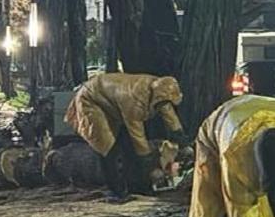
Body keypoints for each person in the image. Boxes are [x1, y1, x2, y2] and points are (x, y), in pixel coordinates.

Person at [64, 72, 187, 203]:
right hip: (91, 101)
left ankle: (136, 187)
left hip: (111, 102)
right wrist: (150, 165)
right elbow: (138, 137)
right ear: (157, 96)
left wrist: (181, 139)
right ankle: (116, 191)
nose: (165, 105)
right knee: (107, 147)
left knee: (128, 146)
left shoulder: (160, 90)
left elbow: (169, 115)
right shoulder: (134, 99)